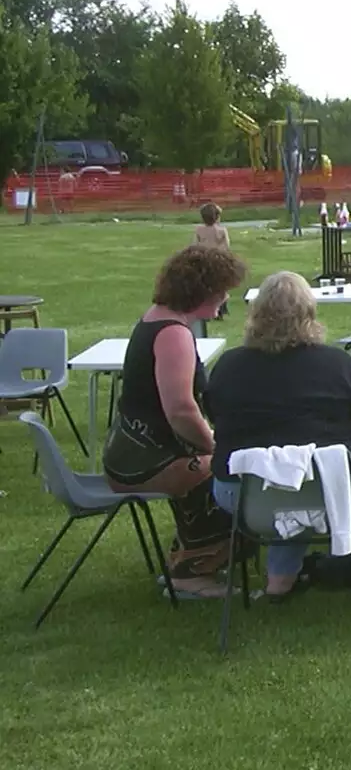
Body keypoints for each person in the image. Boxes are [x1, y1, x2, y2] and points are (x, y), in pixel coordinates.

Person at [207, 272, 351, 604]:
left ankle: (280, 579)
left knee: (283, 472)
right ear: (309, 313)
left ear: (256, 313)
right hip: (328, 492)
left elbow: (217, 418)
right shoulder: (337, 365)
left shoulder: (228, 366)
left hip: (244, 496)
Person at [103, 244, 247, 599]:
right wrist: (215, 447)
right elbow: (180, 410)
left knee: (226, 464)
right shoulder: (173, 335)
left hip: (131, 451)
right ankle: (190, 572)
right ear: (202, 291)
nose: (226, 297)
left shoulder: (157, 319)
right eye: (221, 290)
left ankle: (192, 556)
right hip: (143, 460)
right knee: (239, 470)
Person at [193, 203, 232, 317]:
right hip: (218, 260)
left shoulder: (199, 230)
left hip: (203, 260)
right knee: (220, 286)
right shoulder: (221, 231)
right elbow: (226, 246)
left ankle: (205, 308)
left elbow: (194, 245)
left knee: (205, 285)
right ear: (217, 217)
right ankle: (221, 308)